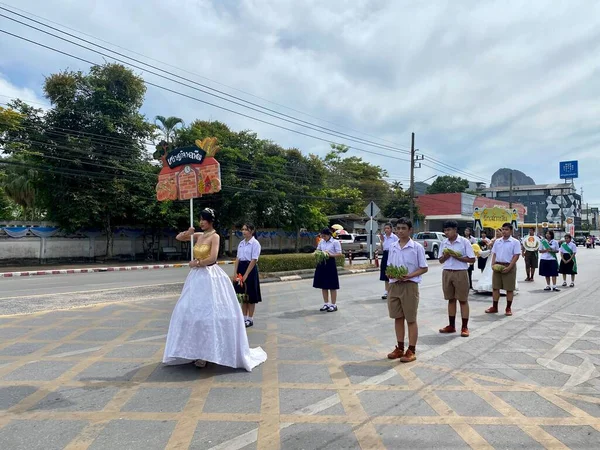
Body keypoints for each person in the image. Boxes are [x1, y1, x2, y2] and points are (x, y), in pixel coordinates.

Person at [163, 208, 267, 371]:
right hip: (196, 278)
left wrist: (196, 263)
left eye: (204, 219)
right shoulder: (198, 235)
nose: (201, 222)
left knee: (209, 314)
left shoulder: (215, 236)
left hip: (210, 276)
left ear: (210, 221)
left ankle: (207, 353)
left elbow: (212, 258)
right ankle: (193, 350)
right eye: (200, 219)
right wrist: (188, 232)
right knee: (189, 312)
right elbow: (178, 237)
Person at [386, 218, 428, 363]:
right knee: (397, 317)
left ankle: (411, 350)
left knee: (410, 319)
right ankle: (399, 348)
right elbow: (389, 265)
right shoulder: (392, 246)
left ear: (410, 230)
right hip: (394, 285)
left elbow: (424, 267)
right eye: (398, 228)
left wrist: (409, 275)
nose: (400, 231)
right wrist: (389, 274)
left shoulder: (417, 247)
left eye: (403, 228)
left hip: (410, 285)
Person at [438, 221, 476, 337]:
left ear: (455, 230)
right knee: (451, 299)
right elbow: (440, 260)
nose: (446, 232)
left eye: (449, 230)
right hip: (447, 272)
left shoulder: (464, 242)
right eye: (445, 230)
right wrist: (446, 256)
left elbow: (472, 259)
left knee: (463, 300)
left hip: (460, 272)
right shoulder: (444, 243)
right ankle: (451, 325)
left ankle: (464, 327)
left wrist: (457, 257)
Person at [485, 223, 520, 316]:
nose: (504, 231)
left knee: (509, 289)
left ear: (511, 231)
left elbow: (516, 256)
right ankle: (494, 307)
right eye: (503, 229)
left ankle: (508, 308)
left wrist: (509, 267)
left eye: (506, 229)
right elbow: (494, 253)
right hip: (497, 265)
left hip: (509, 266)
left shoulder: (515, 242)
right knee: (495, 288)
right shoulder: (497, 241)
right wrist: (493, 264)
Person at [233, 222, 262, 328]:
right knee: (242, 295)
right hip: (241, 268)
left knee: (250, 295)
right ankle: (244, 317)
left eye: (246, 229)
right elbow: (237, 258)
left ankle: (250, 319)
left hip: (250, 270)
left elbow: (254, 260)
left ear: (252, 231)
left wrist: (246, 275)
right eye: (242, 229)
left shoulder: (255, 244)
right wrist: (235, 272)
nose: (243, 231)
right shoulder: (241, 243)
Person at [314, 228, 343, 312]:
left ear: (329, 235)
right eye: (322, 236)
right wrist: (317, 253)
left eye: (325, 236)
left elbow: (339, 253)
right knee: (323, 285)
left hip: (330, 263)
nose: (323, 237)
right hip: (322, 263)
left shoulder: (335, 242)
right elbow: (318, 249)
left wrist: (330, 255)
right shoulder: (321, 242)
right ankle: (326, 303)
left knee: (332, 285)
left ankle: (333, 305)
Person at [379, 222, 399, 299]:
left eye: (388, 228)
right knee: (385, 273)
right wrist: (382, 241)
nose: (386, 230)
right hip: (385, 254)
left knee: (392, 272)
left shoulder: (394, 237)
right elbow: (382, 248)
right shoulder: (384, 237)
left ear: (391, 229)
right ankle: (386, 291)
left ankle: (393, 290)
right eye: (385, 228)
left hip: (392, 254)